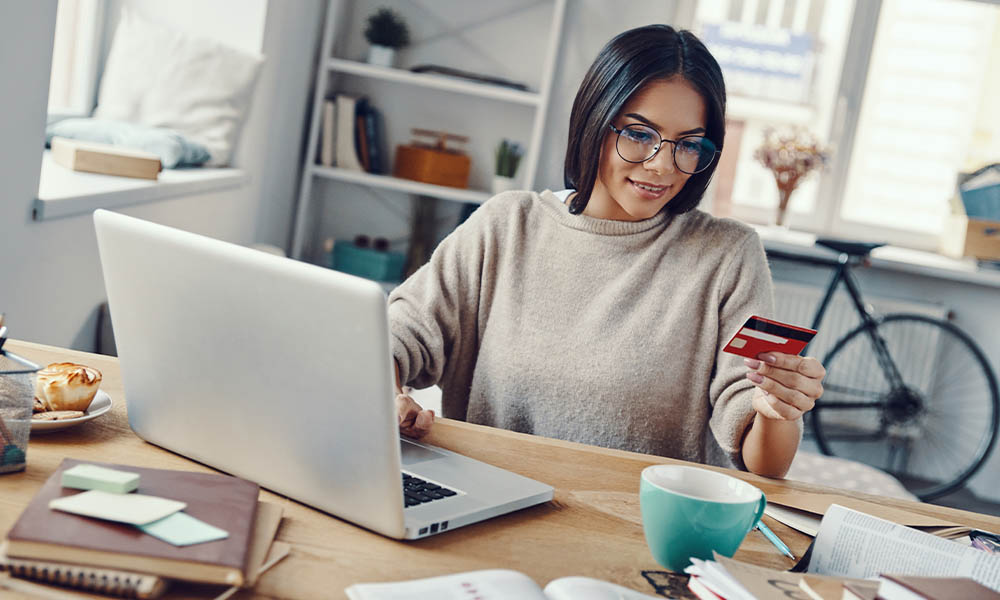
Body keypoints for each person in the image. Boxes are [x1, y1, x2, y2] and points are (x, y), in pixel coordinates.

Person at [387, 24, 825, 478]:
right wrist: (389, 394)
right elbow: (395, 335)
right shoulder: (505, 225)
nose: (661, 165)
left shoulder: (731, 253)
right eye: (639, 134)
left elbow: (765, 464)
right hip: (485, 506)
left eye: (690, 145)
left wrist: (780, 409)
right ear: (595, 120)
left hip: (634, 530)